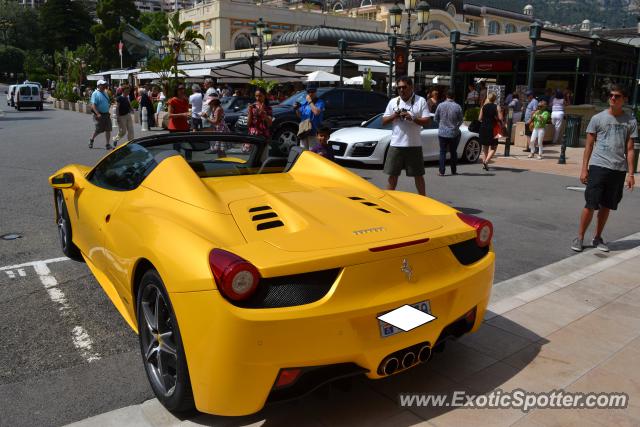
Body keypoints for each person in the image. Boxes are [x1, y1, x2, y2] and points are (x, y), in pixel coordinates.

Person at [571, 85, 637, 252]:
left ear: (624, 99)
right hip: (598, 166)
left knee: (607, 205)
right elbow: (589, 145)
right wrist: (584, 168)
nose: (613, 98)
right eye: (611, 95)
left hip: (618, 169)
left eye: (617, 96)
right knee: (591, 203)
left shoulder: (630, 121)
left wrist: (631, 173)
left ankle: (597, 237)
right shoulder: (597, 118)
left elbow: (630, 149)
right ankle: (579, 237)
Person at [381, 76, 431, 196]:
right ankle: (388, 203)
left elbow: (427, 121)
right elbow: (383, 122)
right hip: (396, 144)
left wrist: (412, 118)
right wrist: (395, 115)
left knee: (418, 176)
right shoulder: (393, 102)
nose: (401, 90)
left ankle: (424, 201)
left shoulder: (421, 101)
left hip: (413, 145)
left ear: (411, 87)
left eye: (404, 87)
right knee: (392, 176)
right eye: (399, 88)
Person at [434, 89, 463, 176]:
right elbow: (461, 120)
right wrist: (456, 126)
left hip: (442, 132)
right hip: (453, 132)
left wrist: (441, 124)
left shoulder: (440, 105)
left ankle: (441, 171)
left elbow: (435, 118)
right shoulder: (457, 106)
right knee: (453, 152)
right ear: (454, 97)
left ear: (446, 96)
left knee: (442, 151)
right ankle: (453, 170)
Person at [295, 83, 325, 150]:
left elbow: (316, 112)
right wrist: (296, 109)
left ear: (316, 91)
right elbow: (300, 115)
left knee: (313, 153)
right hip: (304, 131)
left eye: (312, 91)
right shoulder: (304, 102)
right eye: (309, 92)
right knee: (303, 153)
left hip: (314, 132)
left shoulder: (320, 102)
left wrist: (310, 101)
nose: (310, 93)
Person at [478, 92, 503, 171]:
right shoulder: (497, 107)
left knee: (485, 146)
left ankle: (485, 163)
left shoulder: (483, 107)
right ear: (495, 99)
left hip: (484, 127)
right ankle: (486, 161)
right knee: (494, 146)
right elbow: (501, 118)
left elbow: (479, 118)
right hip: (493, 128)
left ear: (488, 98)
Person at [88, 80, 113, 149]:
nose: (105, 86)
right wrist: (97, 113)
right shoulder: (95, 93)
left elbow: (107, 101)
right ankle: (91, 139)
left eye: (105, 84)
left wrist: (108, 105)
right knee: (98, 129)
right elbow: (93, 105)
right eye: (103, 85)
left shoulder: (105, 92)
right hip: (99, 114)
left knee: (108, 129)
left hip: (106, 114)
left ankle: (107, 144)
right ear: (99, 86)